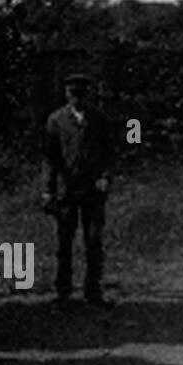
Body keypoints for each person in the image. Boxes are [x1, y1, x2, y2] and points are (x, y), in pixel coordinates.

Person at [41, 72, 115, 308]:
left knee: (93, 241)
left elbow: (109, 154)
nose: (77, 98)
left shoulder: (100, 120)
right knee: (65, 242)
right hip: (67, 191)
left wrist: (105, 177)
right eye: (73, 93)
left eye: (81, 93)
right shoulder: (56, 120)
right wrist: (47, 190)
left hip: (93, 190)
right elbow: (49, 158)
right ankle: (63, 293)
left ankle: (93, 291)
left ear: (88, 94)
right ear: (66, 94)